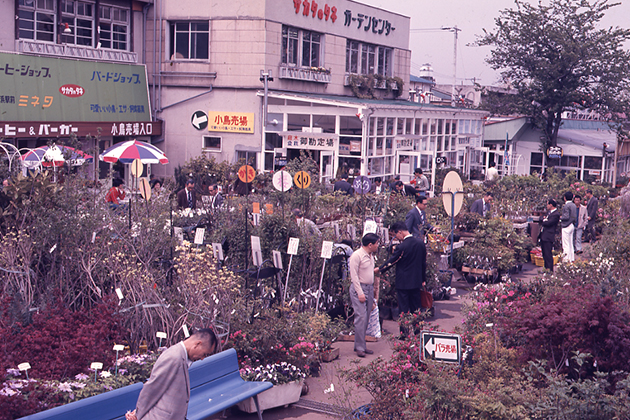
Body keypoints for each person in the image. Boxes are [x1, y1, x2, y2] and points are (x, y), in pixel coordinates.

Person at [126, 328, 217, 420]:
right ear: (198, 344)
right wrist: (137, 415)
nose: (202, 358)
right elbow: (152, 389)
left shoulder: (181, 356)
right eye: (205, 354)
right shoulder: (173, 357)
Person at [375, 222, 426, 319]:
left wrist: (380, 269)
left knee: (403, 310)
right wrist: (423, 279)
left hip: (403, 283)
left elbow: (392, 262)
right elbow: (423, 263)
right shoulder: (420, 244)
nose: (396, 238)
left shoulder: (401, 247)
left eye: (395, 235)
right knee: (416, 309)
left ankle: (404, 333)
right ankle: (417, 331)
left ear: (400, 232)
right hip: (416, 281)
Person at [348, 233, 380, 358]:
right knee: (361, 317)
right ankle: (360, 348)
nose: (378, 246)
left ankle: (360, 345)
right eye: (377, 243)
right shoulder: (357, 255)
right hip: (359, 288)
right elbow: (354, 276)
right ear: (370, 244)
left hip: (369, 288)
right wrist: (360, 292)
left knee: (366, 318)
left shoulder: (370, 256)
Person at [540, 198, 560, 271]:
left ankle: (550, 270)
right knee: (544, 253)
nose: (547, 206)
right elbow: (541, 218)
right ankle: (546, 268)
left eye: (547, 204)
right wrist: (543, 219)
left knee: (548, 253)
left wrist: (544, 221)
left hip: (549, 236)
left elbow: (548, 223)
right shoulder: (549, 213)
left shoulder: (556, 214)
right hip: (543, 235)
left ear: (551, 205)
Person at [560, 191, 577, 263]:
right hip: (571, 225)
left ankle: (566, 260)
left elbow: (566, 216)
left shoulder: (566, 205)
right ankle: (571, 258)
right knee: (570, 243)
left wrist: (561, 217)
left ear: (565, 198)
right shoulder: (573, 205)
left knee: (566, 244)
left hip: (566, 225)